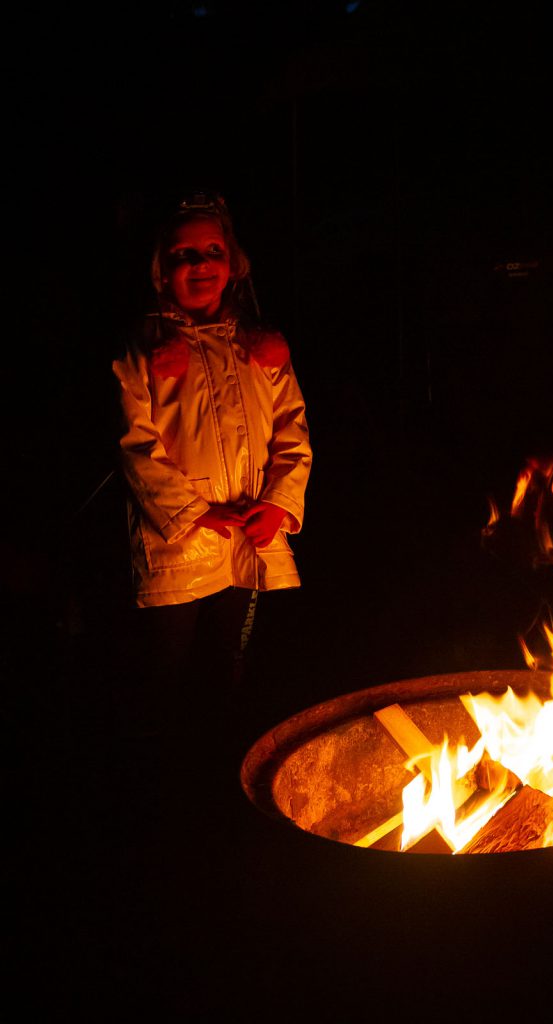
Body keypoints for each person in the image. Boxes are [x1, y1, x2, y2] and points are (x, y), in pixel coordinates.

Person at [111, 190, 311, 818]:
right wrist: (195, 513)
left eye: (213, 251)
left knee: (230, 660)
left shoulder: (261, 351)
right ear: (159, 267)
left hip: (249, 539)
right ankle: (158, 796)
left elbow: (293, 431)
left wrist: (278, 504)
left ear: (235, 263)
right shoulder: (144, 354)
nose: (200, 265)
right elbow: (136, 446)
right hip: (178, 545)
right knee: (165, 666)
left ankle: (225, 782)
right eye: (184, 254)